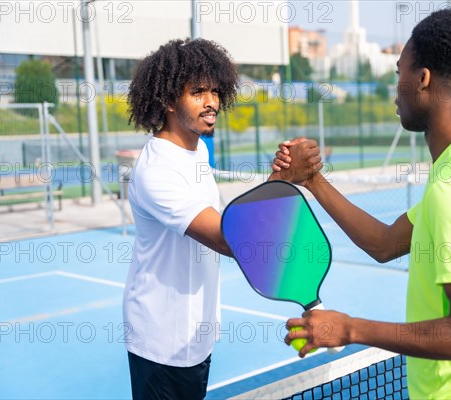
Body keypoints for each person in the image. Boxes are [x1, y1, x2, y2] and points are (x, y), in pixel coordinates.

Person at [275, 9, 451, 400]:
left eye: (400, 71)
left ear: (423, 79)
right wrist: (313, 179)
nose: (395, 86)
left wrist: (351, 329)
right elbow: (384, 244)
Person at [124, 38, 321, 400]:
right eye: (197, 92)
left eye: (214, 90)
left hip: (196, 333)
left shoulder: (196, 149)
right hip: (162, 340)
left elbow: (230, 222)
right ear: (168, 100)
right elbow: (229, 239)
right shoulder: (157, 171)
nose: (212, 101)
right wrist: (281, 184)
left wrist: (276, 183)